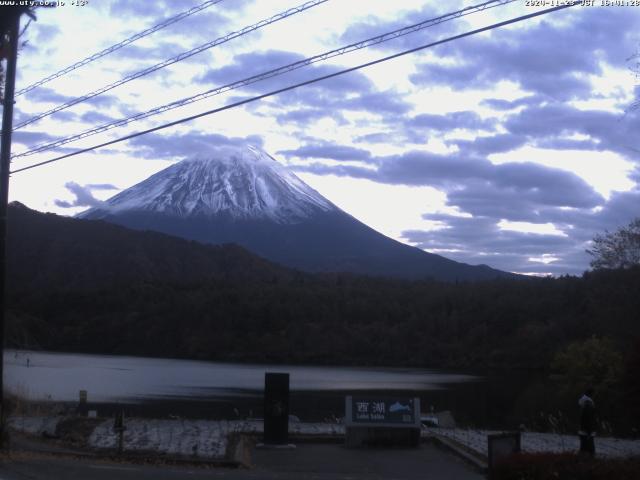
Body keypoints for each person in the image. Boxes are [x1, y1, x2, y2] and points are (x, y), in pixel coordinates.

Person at [578, 388, 596, 457]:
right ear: (591, 394)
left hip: (583, 430)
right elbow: (588, 419)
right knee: (590, 452)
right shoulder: (588, 404)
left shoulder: (583, 402)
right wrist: (589, 431)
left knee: (583, 450)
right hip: (587, 432)